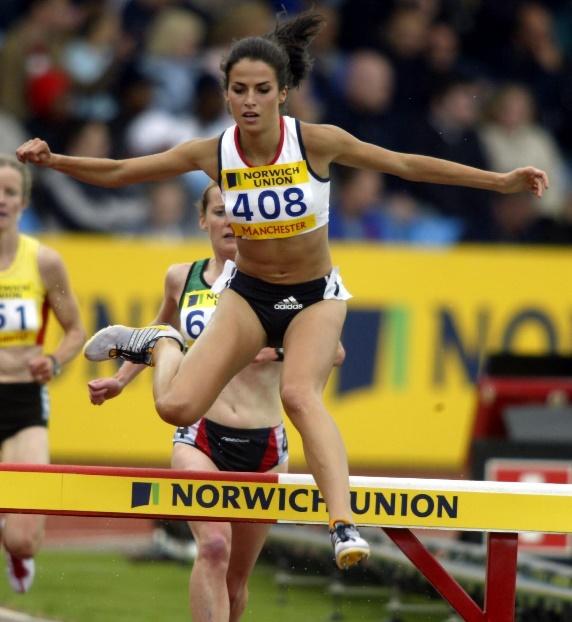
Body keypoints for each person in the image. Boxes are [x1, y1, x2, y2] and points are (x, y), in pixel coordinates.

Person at [16, 10, 549, 570]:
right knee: (176, 406)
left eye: (262, 90)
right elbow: (124, 171)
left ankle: (343, 523)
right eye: (238, 90)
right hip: (248, 294)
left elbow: (408, 164)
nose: (250, 101)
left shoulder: (315, 142)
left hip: (315, 296)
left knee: (299, 394)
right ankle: (161, 345)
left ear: (284, 93)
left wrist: (500, 181)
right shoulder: (214, 153)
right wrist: (56, 161)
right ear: (225, 95)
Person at [87, 182, 289, 621]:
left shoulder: (282, 281)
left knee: (236, 582)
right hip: (200, 434)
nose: (230, 221)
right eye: (219, 212)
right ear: (203, 220)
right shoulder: (183, 278)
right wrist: (121, 380)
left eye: (240, 213)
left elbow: (333, 351)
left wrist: (271, 349)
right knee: (213, 547)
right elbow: (157, 332)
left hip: (265, 444)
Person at [0, 154, 85, 592]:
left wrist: (52, 361)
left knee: (23, 539)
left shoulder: (43, 262)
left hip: (23, 400)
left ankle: (17, 551)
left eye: (10, 192)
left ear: (23, 201)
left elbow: (76, 330)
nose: (1, 200)